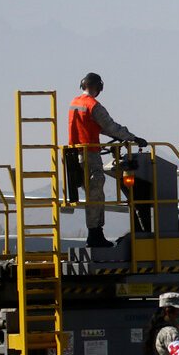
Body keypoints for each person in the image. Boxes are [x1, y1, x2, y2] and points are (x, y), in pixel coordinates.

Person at [68, 72, 148, 247]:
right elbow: (110, 126)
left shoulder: (75, 103)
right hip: (90, 155)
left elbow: (95, 127)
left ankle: (94, 234)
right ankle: (95, 235)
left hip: (74, 156)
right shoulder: (93, 105)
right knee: (96, 193)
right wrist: (133, 138)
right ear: (98, 87)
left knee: (91, 194)